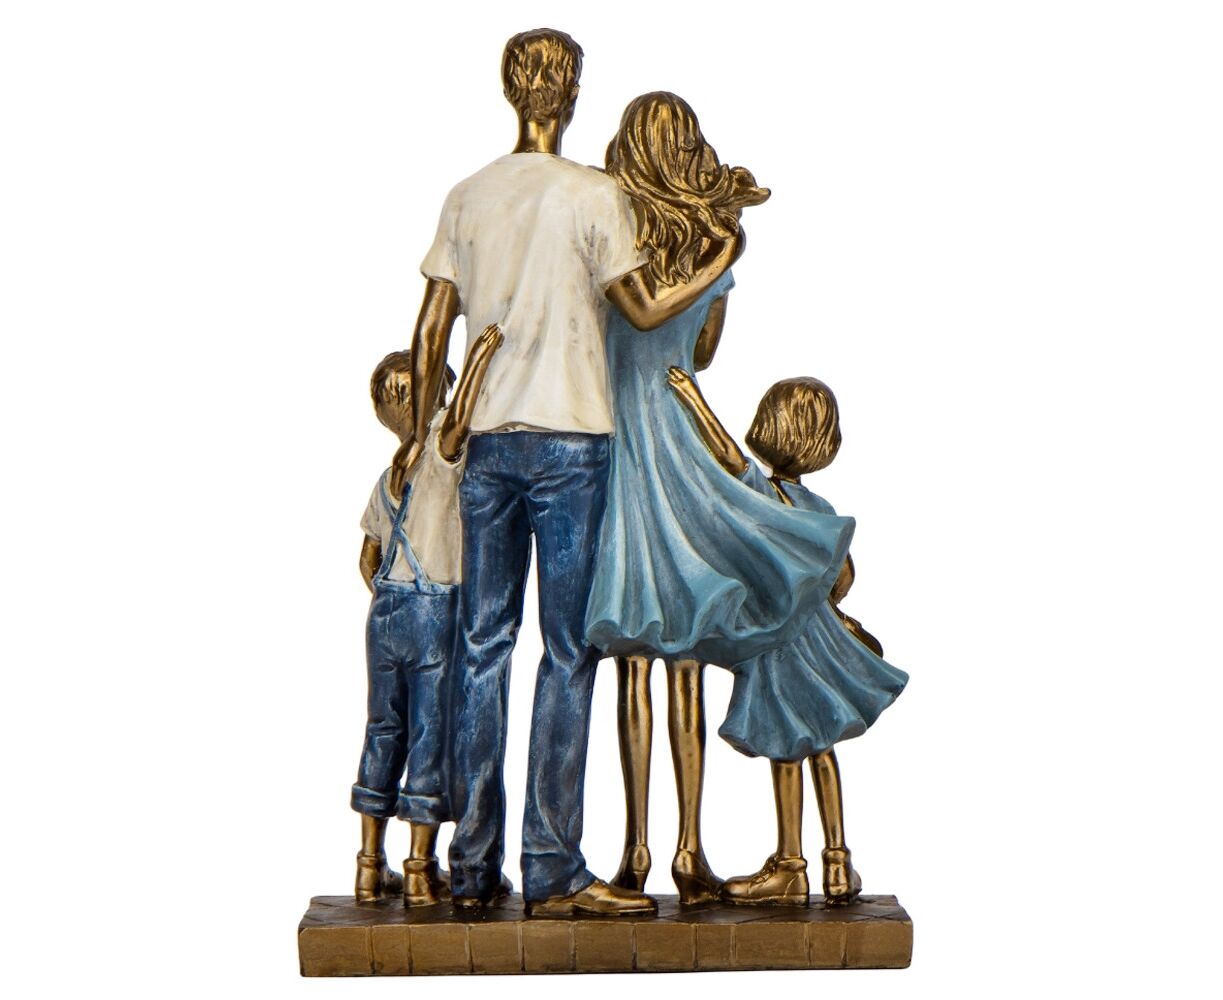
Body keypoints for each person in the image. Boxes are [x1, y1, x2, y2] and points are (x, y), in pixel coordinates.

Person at [403, 30, 685, 916]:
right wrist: (722, 256)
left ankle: (471, 867)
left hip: (487, 445)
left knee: (481, 648)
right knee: (567, 652)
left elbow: (428, 332)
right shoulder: (595, 196)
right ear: (567, 95)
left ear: (508, 89)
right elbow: (642, 309)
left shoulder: (468, 195)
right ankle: (553, 868)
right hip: (570, 441)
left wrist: (420, 447)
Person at [586, 92, 858, 903]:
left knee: (633, 659)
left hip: (619, 445)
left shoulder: (605, 242)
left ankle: (634, 850)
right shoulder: (714, 252)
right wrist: (720, 252)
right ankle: (687, 848)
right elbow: (699, 353)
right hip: (681, 444)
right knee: (685, 658)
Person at [668, 369, 908, 905]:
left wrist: (691, 398)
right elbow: (842, 576)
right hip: (822, 640)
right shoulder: (819, 508)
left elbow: (729, 458)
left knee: (788, 749)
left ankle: (791, 863)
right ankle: (838, 861)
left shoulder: (766, 497)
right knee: (823, 747)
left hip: (784, 645)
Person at [351, 326, 502, 905]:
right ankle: (419, 867)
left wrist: (392, 597)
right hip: (433, 608)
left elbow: (367, 560)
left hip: (385, 611)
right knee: (431, 735)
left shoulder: (389, 473)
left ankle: (369, 865)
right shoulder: (439, 446)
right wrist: (481, 354)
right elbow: (461, 419)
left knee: (383, 729)